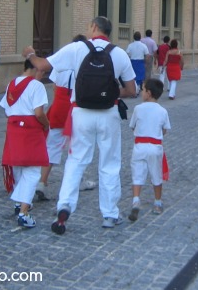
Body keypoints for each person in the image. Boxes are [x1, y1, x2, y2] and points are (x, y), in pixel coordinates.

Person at [23, 16, 136, 232]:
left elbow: (42, 65)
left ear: (94, 27)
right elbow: (132, 90)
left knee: (76, 161)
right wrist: (110, 92)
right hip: (108, 113)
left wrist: (29, 53)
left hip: (80, 113)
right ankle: (110, 214)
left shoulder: (76, 48)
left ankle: (64, 207)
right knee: (109, 163)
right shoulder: (119, 53)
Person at [36, 34, 97, 201]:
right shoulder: (86, 63)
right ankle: (79, 180)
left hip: (59, 106)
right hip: (76, 106)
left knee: (52, 145)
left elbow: (55, 87)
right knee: (78, 146)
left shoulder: (60, 62)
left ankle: (42, 182)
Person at [0, 59, 49, 229]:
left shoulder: (11, 84)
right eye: (41, 70)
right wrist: (46, 124)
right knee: (32, 171)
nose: (43, 74)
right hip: (31, 130)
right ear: (34, 69)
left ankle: (18, 203)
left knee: (18, 168)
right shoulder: (36, 86)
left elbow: (6, 110)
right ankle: (24, 212)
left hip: (14, 130)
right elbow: (39, 112)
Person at [128, 78, 171, 221]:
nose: (141, 92)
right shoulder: (162, 111)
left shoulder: (138, 108)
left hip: (139, 146)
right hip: (155, 147)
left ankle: (136, 200)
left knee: (137, 173)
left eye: (143, 89)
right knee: (156, 174)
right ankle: (157, 203)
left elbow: (133, 126)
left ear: (149, 93)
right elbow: (165, 129)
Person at [126, 31, 150, 95]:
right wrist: (146, 63)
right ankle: (137, 89)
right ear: (140, 37)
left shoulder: (130, 45)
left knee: (133, 76)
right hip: (140, 62)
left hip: (132, 62)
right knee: (140, 77)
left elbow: (127, 54)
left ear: (134, 37)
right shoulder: (143, 46)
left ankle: (136, 89)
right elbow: (147, 55)